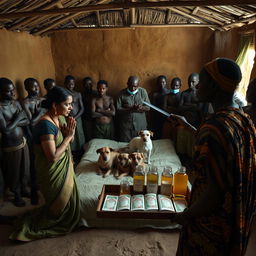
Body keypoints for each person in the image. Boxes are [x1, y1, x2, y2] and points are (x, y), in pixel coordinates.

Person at [169, 58, 256, 255]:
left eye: (202, 80)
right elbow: (221, 145)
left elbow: (213, 195)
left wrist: (186, 215)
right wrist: (188, 126)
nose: (197, 85)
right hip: (236, 214)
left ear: (214, 86)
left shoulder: (214, 127)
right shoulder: (241, 118)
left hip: (212, 222)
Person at [10, 86, 80, 241]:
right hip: (51, 172)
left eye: (71, 104)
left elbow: (69, 140)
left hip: (63, 168)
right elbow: (53, 157)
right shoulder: (45, 125)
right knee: (59, 211)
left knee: (69, 206)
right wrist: (69, 137)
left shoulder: (60, 118)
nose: (71, 107)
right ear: (55, 105)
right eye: (67, 104)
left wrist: (69, 134)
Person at [0, 78, 30, 207]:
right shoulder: (0, 108)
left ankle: (24, 189)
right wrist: (17, 118)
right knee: (14, 171)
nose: (12, 93)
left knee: (25, 168)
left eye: (13, 90)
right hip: (10, 146)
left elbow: (27, 120)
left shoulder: (15, 103)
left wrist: (15, 122)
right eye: (8, 91)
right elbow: (5, 130)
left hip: (22, 142)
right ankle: (16, 194)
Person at [22, 78, 45, 204]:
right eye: (33, 87)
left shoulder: (41, 100)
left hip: (44, 132)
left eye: (37, 86)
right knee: (33, 163)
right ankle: (34, 191)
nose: (36, 89)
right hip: (32, 135)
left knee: (44, 159)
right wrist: (40, 111)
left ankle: (44, 185)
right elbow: (31, 122)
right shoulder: (25, 102)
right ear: (26, 89)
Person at [116, 76, 150, 142]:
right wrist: (130, 109)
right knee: (125, 145)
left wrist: (141, 107)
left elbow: (148, 108)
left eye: (135, 86)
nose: (133, 88)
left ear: (138, 85)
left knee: (141, 144)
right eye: (130, 86)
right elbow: (118, 110)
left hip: (140, 125)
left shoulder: (143, 92)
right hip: (126, 127)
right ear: (127, 84)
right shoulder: (121, 93)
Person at [64, 75, 85, 161]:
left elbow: (82, 108)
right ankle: (72, 156)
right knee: (70, 136)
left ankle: (81, 155)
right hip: (67, 118)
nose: (71, 85)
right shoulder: (63, 94)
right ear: (65, 84)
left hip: (78, 118)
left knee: (79, 136)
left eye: (72, 83)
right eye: (69, 83)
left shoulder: (77, 94)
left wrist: (76, 117)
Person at [81, 77, 97, 142]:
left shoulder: (96, 93)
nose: (88, 86)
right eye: (86, 84)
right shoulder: (82, 94)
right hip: (86, 117)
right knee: (88, 136)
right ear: (84, 85)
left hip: (96, 117)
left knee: (96, 135)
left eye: (90, 84)